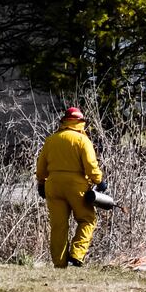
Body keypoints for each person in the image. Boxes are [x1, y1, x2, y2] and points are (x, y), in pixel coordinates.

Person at [35, 106, 103, 268]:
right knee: (87, 219)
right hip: (76, 186)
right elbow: (91, 166)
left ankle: (59, 264)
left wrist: (41, 183)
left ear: (64, 121)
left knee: (58, 226)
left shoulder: (51, 140)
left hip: (53, 186)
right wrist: (99, 181)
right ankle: (77, 254)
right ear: (80, 122)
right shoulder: (82, 140)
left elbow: (41, 168)